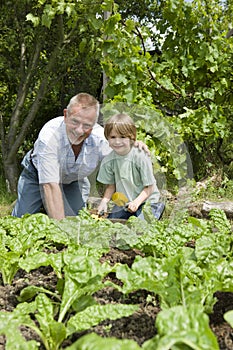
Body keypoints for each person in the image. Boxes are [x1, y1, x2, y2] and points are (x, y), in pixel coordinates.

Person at [12, 93, 149, 220]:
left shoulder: (100, 138)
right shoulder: (49, 138)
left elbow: (122, 153)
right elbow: (50, 185)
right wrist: (61, 230)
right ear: (66, 115)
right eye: (75, 122)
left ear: (94, 123)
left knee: (77, 221)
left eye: (87, 125)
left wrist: (133, 145)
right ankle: (39, 207)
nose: (79, 130)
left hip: (72, 181)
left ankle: (50, 211)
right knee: (22, 221)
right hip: (37, 176)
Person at [97, 113, 165, 220]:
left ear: (131, 137)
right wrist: (104, 201)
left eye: (122, 137)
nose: (117, 141)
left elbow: (149, 187)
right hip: (126, 202)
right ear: (107, 138)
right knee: (112, 223)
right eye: (113, 137)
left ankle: (154, 210)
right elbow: (111, 186)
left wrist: (136, 202)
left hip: (148, 200)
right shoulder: (109, 160)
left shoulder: (140, 156)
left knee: (140, 228)